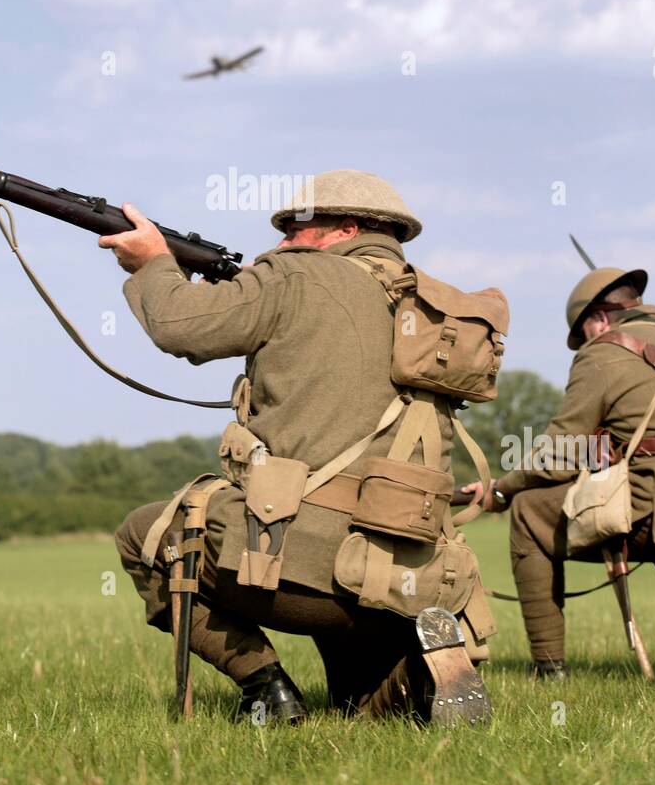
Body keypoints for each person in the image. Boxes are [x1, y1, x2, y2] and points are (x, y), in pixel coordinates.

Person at [106, 171, 496, 724]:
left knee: (142, 534)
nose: (282, 240)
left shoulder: (294, 276)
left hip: (301, 569)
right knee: (361, 715)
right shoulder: (434, 310)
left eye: (294, 227)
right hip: (410, 570)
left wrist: (153, 263)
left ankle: (266, 687)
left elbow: (181, 328)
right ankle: (412, 663)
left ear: (346, 229)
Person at [463, 267, 655, 677]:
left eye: (584, 333)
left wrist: (501, 490)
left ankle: (550, 669)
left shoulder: (604, 350)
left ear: (600, 319)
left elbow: (561, 450)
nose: (584, 344)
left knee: (530, 512)